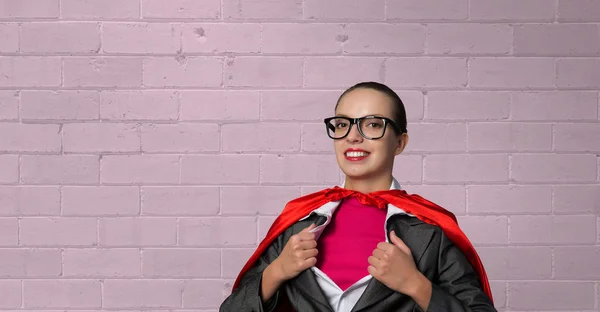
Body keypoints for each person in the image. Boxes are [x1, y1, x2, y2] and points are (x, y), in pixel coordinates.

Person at [219, 82, 497, 312]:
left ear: (400, 142)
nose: (353, 136)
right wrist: (276, 272)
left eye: (373, 124)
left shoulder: (429, 231)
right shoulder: (298, 221)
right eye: (342, 124)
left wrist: (416, 285)